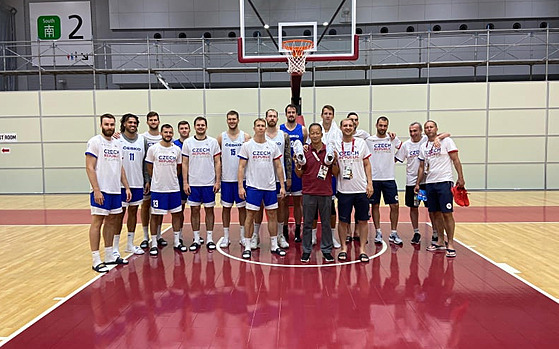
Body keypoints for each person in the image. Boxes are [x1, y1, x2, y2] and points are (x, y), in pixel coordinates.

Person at [85, 113, 131, 273]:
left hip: (115, 190)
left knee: (112, 221)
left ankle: (109, 255)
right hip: (101, 190)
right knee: (97, 221)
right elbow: (89, 167)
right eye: (106, 124)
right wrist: (96, 190)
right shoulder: (95, 142)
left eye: (112, 124)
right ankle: (96, 259)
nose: (109, 127)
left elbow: (120, 167)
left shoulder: (118, 143)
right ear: (101, 125)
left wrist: (126, 187)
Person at [238, 118, 287, 260]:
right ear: (254, 128)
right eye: (258, 125)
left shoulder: (272, 146)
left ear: (265, 128)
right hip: (253, 187)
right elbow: (241, 167)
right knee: (250, 216)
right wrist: (240, 186)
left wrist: (282, 186)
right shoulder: (247, 145)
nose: (260, 128)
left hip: (270, 187)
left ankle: (273, 245)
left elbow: (278, 166)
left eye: (262, 126)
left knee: (272, 215)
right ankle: (247, 246)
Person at [416, 120, 465, 258]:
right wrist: (418, 183)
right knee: (435, 213)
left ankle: (450, 243)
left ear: (436, 128)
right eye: (426, 127)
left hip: (444, 181)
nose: (429, 129)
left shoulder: (446, 141)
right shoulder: (424, 146)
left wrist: (460, 177)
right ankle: (440, 241)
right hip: (430, 183)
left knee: (447, 213)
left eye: (431, 127)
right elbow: (421, 166)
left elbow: (455, 159)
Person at [395, 122, 449, 244]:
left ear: (421, 131)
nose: (413, 133)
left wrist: (438, 138)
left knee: (432, 209)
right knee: (413, 207)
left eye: (415, 131)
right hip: (412, 183)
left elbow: (447, 134)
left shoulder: (427, 140)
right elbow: (396, 159)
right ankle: (416, 232)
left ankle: (435, 233)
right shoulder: (406, 145)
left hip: (427, 182)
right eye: (411, 131)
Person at [294, 123, 339, 263]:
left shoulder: (329, 151)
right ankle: (306, 250)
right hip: (308, 192)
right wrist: (298, 163)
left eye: (317, 133)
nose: (314, 135)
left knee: (326, 223)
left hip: (325, 192)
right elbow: (299, 174)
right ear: (310, 135)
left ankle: (326, 250)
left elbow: (336, 173)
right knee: (307, 223)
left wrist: (334, 161)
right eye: (312, 133)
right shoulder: (305, 151)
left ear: (321, 134)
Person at [251, 109, 291, 250]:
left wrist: (288, 178)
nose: (272, 118)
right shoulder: (258, 135)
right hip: (260, 178)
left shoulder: (283, 135)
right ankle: (255, 235)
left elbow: (287, 157)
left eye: (274, 116)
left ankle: (280, 235)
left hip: (278, 178)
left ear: (277, 118)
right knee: (258, 207)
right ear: (266, 119)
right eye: (270, 116)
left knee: (279, 208)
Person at [335, 118, 373, 263]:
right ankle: (344, 248)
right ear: (341, 127)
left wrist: (370, 183)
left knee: (363, 220)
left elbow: (367, 164)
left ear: (354, 127)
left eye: (350, 125)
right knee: (343, 221)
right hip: (344, 190)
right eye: (345, 125)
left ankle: (362, 250)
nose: (348, 127)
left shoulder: (361, 143)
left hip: (361, 188)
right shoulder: (336, 145)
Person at [145, 124, 187, 255]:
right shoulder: (153, 149)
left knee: (176, 214)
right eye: (165, 132)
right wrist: (157, 179)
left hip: (174, 188)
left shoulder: (177, 150)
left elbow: (179, 168)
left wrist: (172, 178)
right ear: (161, 133)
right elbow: (149, 167)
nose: (168, 134)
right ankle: (154, 243)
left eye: (170, 132)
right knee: (156, 216)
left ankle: (176, 241)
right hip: (158, 189)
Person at [182, 116, 221, 251]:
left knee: (209, 210)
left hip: (209, 183)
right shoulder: (188, 143)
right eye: (198, 125)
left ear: (206, 127)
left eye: (202, 125)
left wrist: (217, 181)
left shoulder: (213, 142)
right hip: (193, 183)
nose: (200, 127)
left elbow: (217, 162)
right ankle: (196, 238)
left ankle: (209, 238)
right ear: (194, 127)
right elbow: (185, 163)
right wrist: (185, 182)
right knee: (195, 210)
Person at [366, 116, 403, 245]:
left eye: (385, 126)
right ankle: (378, 232)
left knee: (395, 205)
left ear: (387, 126)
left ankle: (393, 232)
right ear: (376, 125)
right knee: (375, 205)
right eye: (380, 125)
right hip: (374, 179)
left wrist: (396, 159)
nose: (382, 128)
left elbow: (403, 148)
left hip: (389, 178)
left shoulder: (392, 138)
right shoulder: (369, 140)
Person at [217, 110, 251, 247]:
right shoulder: (221, 137)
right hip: (226, 180)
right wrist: (218, 179)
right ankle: (226, 237)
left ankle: (243, 236)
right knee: (226, 208)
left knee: (242, 209)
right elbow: (217, 160)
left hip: (241, 180)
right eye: (229, 119)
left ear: (238, 120)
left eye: (234, 119)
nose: (232, 121)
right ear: (227, 120)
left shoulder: (246, 137)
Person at [114, 113, 145, 257]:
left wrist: (146, 180)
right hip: (120, 185)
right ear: (124, 124)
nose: (132, 125)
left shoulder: (142, 140)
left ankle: (130, 244)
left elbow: (145, 162)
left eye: (134, 122)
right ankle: (114, 247)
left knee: (133, 213)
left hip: (137, 183)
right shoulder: (117, 139)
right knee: (118, 215)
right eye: (129, 122)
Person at [313, 105, 342, 249]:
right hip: (315, 172)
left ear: (333, 115)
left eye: (330, 113)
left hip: (331, 172)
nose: (327, 116)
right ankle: (312, 236)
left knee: (330, 207)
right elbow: (308, 147)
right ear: (321, 115)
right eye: (325, 113)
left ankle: (331, 236)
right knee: (313, 207)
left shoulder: (338, 132)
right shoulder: (315, 129)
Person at [280, 104, 307, 242]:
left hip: (297, 170)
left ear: (297, 114)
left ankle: (297, 229)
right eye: (289, 112)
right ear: (286, 114)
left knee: (298, 202)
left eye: (293, 112)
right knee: (283, 202)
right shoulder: (280, 129)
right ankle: (284, 230)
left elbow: (306, 148)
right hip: (282, 169)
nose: (291, 114)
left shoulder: (302, 129)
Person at [140, 111, 164, 249]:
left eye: (155, 120)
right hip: (147, 177)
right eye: (151, 120)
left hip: (161, 179)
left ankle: (158, 235)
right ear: (147, 122)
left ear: (158, 122)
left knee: (158, 208)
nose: (153, 122)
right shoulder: (143, 138)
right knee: (146, 205)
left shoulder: (165, 138)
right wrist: (147, 178)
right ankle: (145, 236)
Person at [173, 120, 193, 245]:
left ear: (189, 130)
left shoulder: (193, 143)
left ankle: (196, 235)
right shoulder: (173, 145)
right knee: (180, 210)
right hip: (179, 181)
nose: (184, 130)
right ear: (179, 130)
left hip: (194, 180)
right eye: (182, 128)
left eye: (186, 128)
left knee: (195, 209)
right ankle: (179, 235)